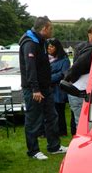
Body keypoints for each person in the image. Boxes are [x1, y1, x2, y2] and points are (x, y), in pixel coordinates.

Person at [19, 16, 67, 160]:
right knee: (34, 119)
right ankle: (33, 151)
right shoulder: (30, 43)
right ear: (44, 28)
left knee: (52, 116)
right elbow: (30, 68)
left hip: (45, 87)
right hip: (34, 89)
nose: (52, 31)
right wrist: (35, 89)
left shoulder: (41, 42)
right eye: (51, 28)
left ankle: (54, 146)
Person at [63, 43, 92, 128]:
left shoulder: (82, 66)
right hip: (80, 93)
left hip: (79, 92)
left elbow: (73, 71)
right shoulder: (90, 54)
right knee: (83, 124)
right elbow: (75, 70)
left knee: (82, 123)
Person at [47, 38, 70, 136]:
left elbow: (63, 73)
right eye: (48, 47)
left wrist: (49, 78)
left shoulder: (64, 60)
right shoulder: (46, 58)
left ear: (57, 48)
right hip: (49, 89)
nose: (49, 49)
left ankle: (62, 132)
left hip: (58, 90)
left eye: (52, 47)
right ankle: (50, 131)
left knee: (59, 112)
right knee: (49, 112)